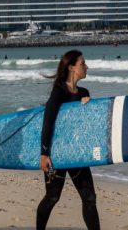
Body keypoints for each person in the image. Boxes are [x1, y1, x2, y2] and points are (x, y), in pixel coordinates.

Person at [37, 49, 100, 230]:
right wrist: (44, 153)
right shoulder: (59, 92)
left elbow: (86, 126)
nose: (86, 67)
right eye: (82, 64)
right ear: (72, 67)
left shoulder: (84, 92)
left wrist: (88, 107)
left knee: (89, 198)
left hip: (76, 153)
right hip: (56, 153)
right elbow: (47, 123)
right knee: (52, 197)